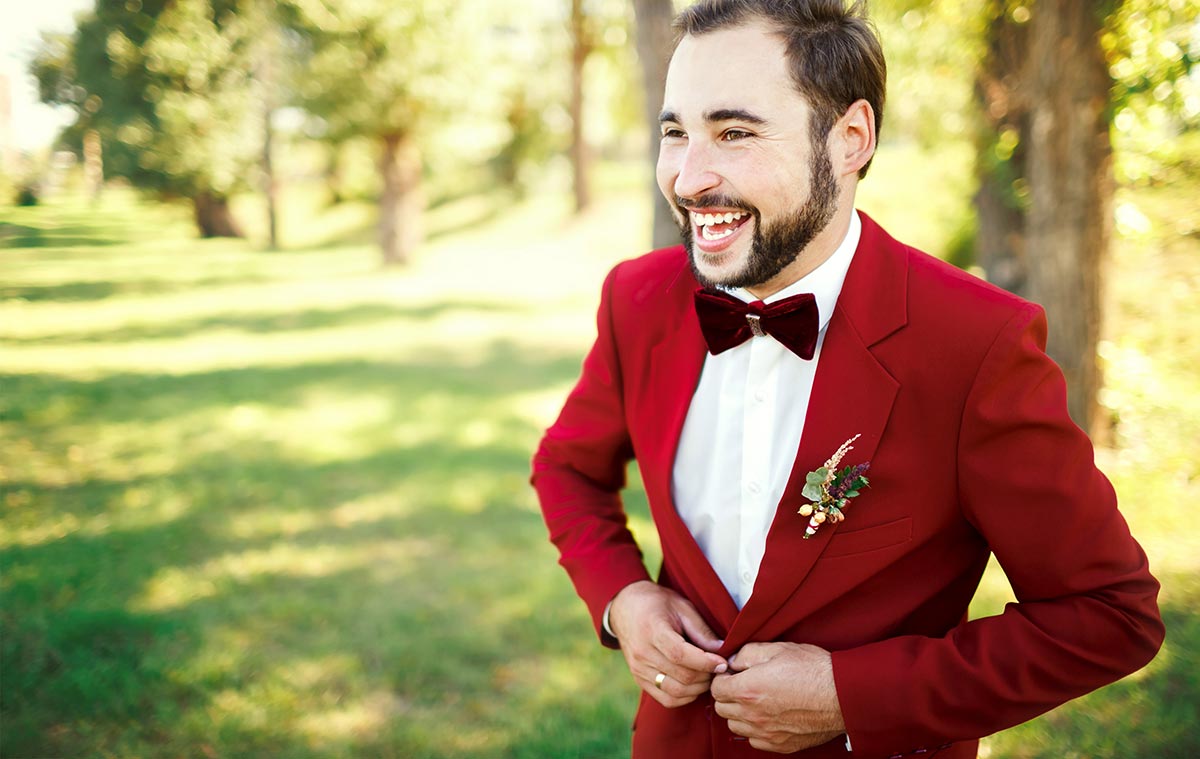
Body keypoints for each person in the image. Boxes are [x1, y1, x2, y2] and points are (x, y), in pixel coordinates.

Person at [530, 1, 1164, 756]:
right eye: (676, 133)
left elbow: (1108, 613)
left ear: (849, 139)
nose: (689, 178)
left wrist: (852, 695)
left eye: (735, 133)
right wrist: (623, 599)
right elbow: (566, 467)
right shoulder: (638, 299)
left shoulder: (975, 343)